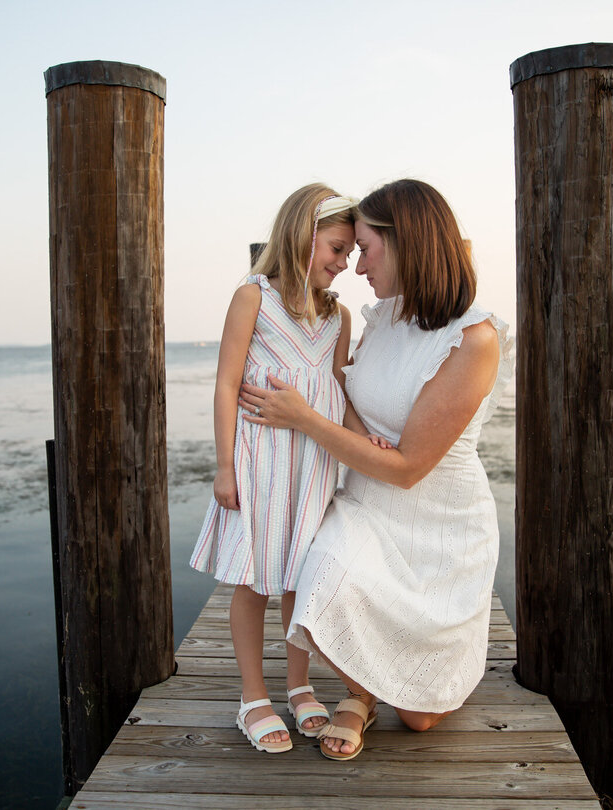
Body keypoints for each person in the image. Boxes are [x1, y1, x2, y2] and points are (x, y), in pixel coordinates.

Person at [239, 178, 513, 761]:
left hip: (438, 521)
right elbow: (348, 393)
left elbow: (410, 468)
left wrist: (303, 419)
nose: (358, 266)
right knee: (321, 580)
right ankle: (361, 693)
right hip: (365, 500)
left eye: (365, 248)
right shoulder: (382, 317)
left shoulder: (475, 338)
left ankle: (384, 692)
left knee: (418, 719)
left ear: (406, 242)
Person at [189, 183, 360, 753]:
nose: (344, 264)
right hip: (258, 463)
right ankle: (253, 696)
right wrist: (223, 465)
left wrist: (367, 447)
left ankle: (298, 684)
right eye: (337, 249)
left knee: (300, 576)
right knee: (253, 578)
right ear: (303, 236)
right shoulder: (253, 298)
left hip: (311, 468)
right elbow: (225, 383)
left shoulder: (341, 320)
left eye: (351, 254)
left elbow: (339, 396)